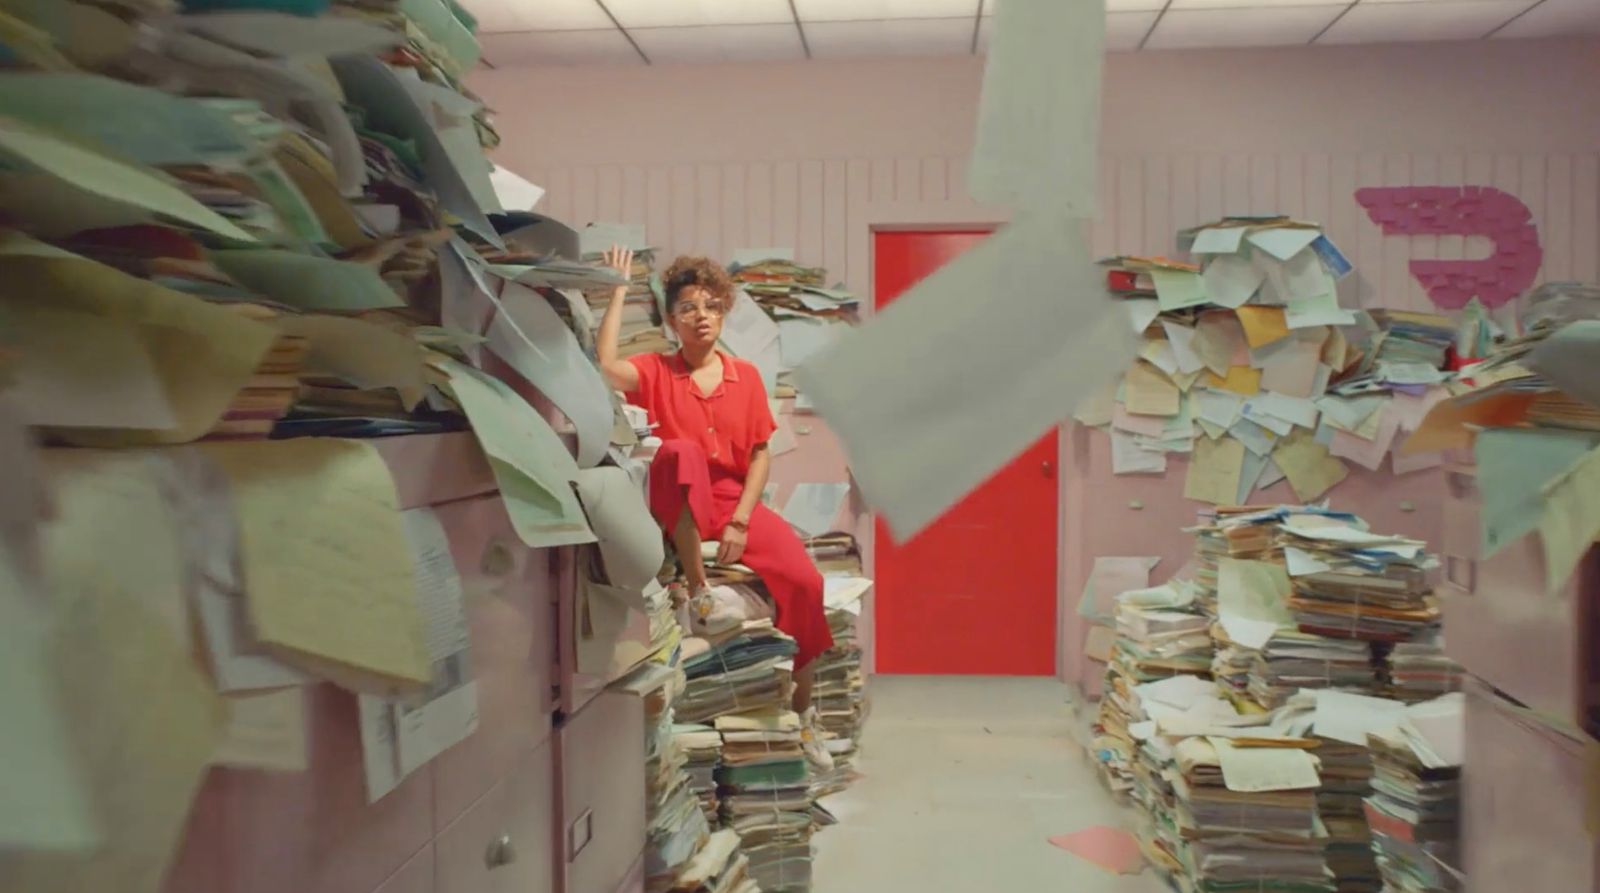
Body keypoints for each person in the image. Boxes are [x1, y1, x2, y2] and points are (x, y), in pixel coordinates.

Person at [596, 246, 834, 769]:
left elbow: (760, 453)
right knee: (677, 453)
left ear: (723, 311)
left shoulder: (744, 375)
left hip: (732, 499)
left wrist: (744, 520)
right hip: (678, 497)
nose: (700, 316)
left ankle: (804, 709)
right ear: (671, 320)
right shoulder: (656, 370)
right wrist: (616, 290)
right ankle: (700, 590)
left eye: (710, 306)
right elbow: (607, 366)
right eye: (687, 308)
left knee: (807, 583)